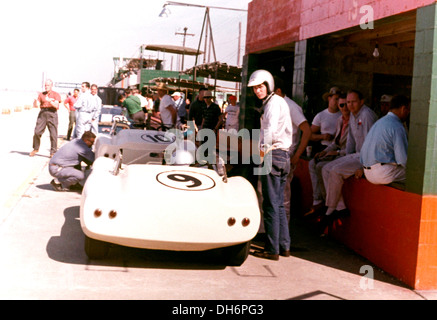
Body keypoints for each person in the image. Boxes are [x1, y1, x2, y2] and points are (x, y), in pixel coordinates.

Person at [247, 69, 293, 261]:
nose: (258, 91)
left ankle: (272, 249)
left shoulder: (273, 104)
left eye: (260, 86)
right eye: (255, 88)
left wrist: (262, 152)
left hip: (272, 154)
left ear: (268, 85)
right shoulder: (277, 102)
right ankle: (284, 246)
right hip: (283, 155)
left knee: (270, 204)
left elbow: (271, 131)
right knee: (279, 204)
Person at [320, 90, 377, 227]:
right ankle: (340, 208)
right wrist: (343, 158)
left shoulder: (367, 115)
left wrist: (364, 167)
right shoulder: (352, 115)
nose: (350, 105)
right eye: (348, 102)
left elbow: (372, 144)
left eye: (354, 102)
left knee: (335, 171)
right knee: (326, 168)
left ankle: (330, 210)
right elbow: (351, 141)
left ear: (361, 102)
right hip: (355, 154)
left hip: (365, 158)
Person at [273, 76, 311, 221]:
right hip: (270, 156)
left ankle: (282, 235)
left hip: (284, 156)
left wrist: (296, 156)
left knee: (282, 198)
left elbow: (307, 131)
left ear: (278, 91)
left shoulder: (291, 107)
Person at [307, 92, 350, 214]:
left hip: (345, 156)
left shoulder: (354, 120)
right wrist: (325, 151)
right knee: (313, 164)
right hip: (331, 150)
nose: (344, 108)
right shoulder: (339, 120)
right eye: (341, 105)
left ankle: (331, 204)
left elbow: (354, 149)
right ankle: (319, 200)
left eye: (346, 104)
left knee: (323, 167)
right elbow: (309, 134)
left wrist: (335, 152)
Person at [358, 94, 410, 185]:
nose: (408, 113)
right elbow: (403, 160)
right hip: (384, 173)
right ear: (403, 109)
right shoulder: (397, 126)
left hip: (367, 173)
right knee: (421, 175)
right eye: (408, 110)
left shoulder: (379, 122)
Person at [30, 79, 62, 158]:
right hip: (43, 113)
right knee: (37, 132)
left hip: (52, 113)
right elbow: (35, 106)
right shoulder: (41, 94)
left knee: (53, 134)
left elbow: (57, 106)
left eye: (48, 85)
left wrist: (50, 101)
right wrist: (34, 100)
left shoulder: (56, 94)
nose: (46, 87)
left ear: (51, 86)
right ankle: (35, 148)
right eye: (45, 85)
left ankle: (53, 151)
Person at [310, 86, 342, 154]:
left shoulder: (344, 115)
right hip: (324, 147)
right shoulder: (320, 116)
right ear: (329, 99)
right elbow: (309, 135)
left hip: (340, 149)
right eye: (336, 99)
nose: (338, 102)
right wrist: (322, 136)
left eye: (339, 99)